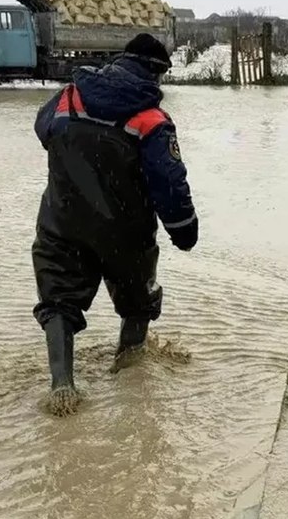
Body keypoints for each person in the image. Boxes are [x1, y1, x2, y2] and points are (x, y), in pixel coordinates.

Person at [31, 33, 197, 412]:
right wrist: (184, 229)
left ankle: (62, 387)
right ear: (156, 75)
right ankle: (130, 377)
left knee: (58, 300)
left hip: (61, 224)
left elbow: (44, 132)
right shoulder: (151, 120)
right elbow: (168, 183)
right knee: (138, 302)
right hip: (126, 234)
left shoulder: (66, 99)